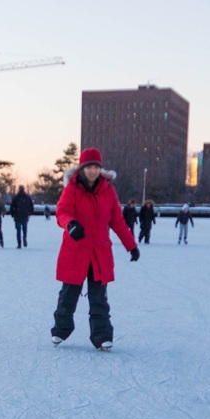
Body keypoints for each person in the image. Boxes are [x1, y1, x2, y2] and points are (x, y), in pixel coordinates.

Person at [51, 148, 139, 352]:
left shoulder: (108, 191)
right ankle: (60, 330)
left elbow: (117, 221)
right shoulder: (72, 189)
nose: (92, 171)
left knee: (99, 297)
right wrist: (71, 224)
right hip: (76, 250)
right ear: (82, 168)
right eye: (89, 167)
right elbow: (62, 212)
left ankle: (102, 336)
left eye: (96, 167)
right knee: (69, 294)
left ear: (100, 169)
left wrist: (131, 245)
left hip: (100, 253)